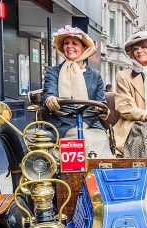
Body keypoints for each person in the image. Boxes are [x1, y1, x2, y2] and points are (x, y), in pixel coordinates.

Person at [42, 25, 112, 158]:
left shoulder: (95, 75)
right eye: (66, 43)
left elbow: (100, 102)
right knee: (64, 145)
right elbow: (49, 92)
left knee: (98, 140)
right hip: (62, 125)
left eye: (75, 43)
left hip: (90, 124)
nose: (69, 46)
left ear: (84, 48)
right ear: (62, 48)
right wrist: (50, 100)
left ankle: (96, 175)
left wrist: (102, 110)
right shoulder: (53, 72)